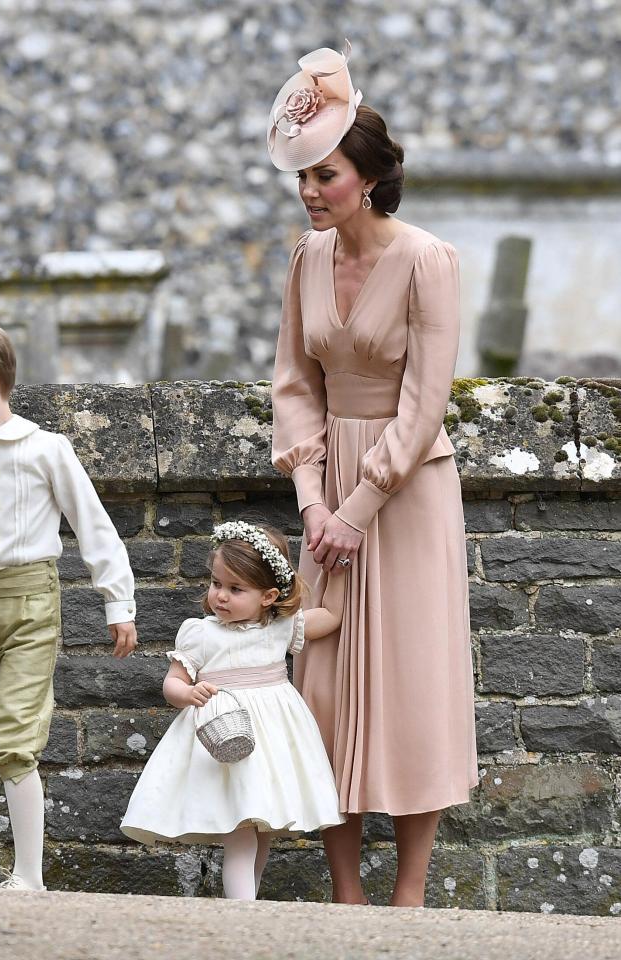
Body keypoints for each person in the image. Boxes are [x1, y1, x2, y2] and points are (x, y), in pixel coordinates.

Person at [268, 44, 478, 907]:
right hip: (329, 502)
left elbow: (425, 403)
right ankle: (345, 894)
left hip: (406, 493)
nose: (312, 191)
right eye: (304, 177)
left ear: (368, 179)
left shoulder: (428, 260)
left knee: (412, 680)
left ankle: (410, 898)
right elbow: (292, 384)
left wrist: (355, 507)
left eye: (325, 176)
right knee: (323, 682)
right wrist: (314, 501)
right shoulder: (305, 260)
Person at [0, 318, 137, 892]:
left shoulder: (46, 449)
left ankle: (29, 876)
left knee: (14, 739)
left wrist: (118, 602)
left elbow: (93, 526)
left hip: (28, 607)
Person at [121, 520, 345, 901]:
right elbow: (171, 683)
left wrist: (338, 570)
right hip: (225, 742)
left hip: (273, 742)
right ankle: (240, 917)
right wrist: (188, 693)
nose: (220, 596)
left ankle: (247, 906)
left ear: (269, 596)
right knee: (241, 833)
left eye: (235, 589)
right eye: (216, 584)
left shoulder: (281, 627)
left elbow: (333, 617)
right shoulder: (200, 632)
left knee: (262, 833)